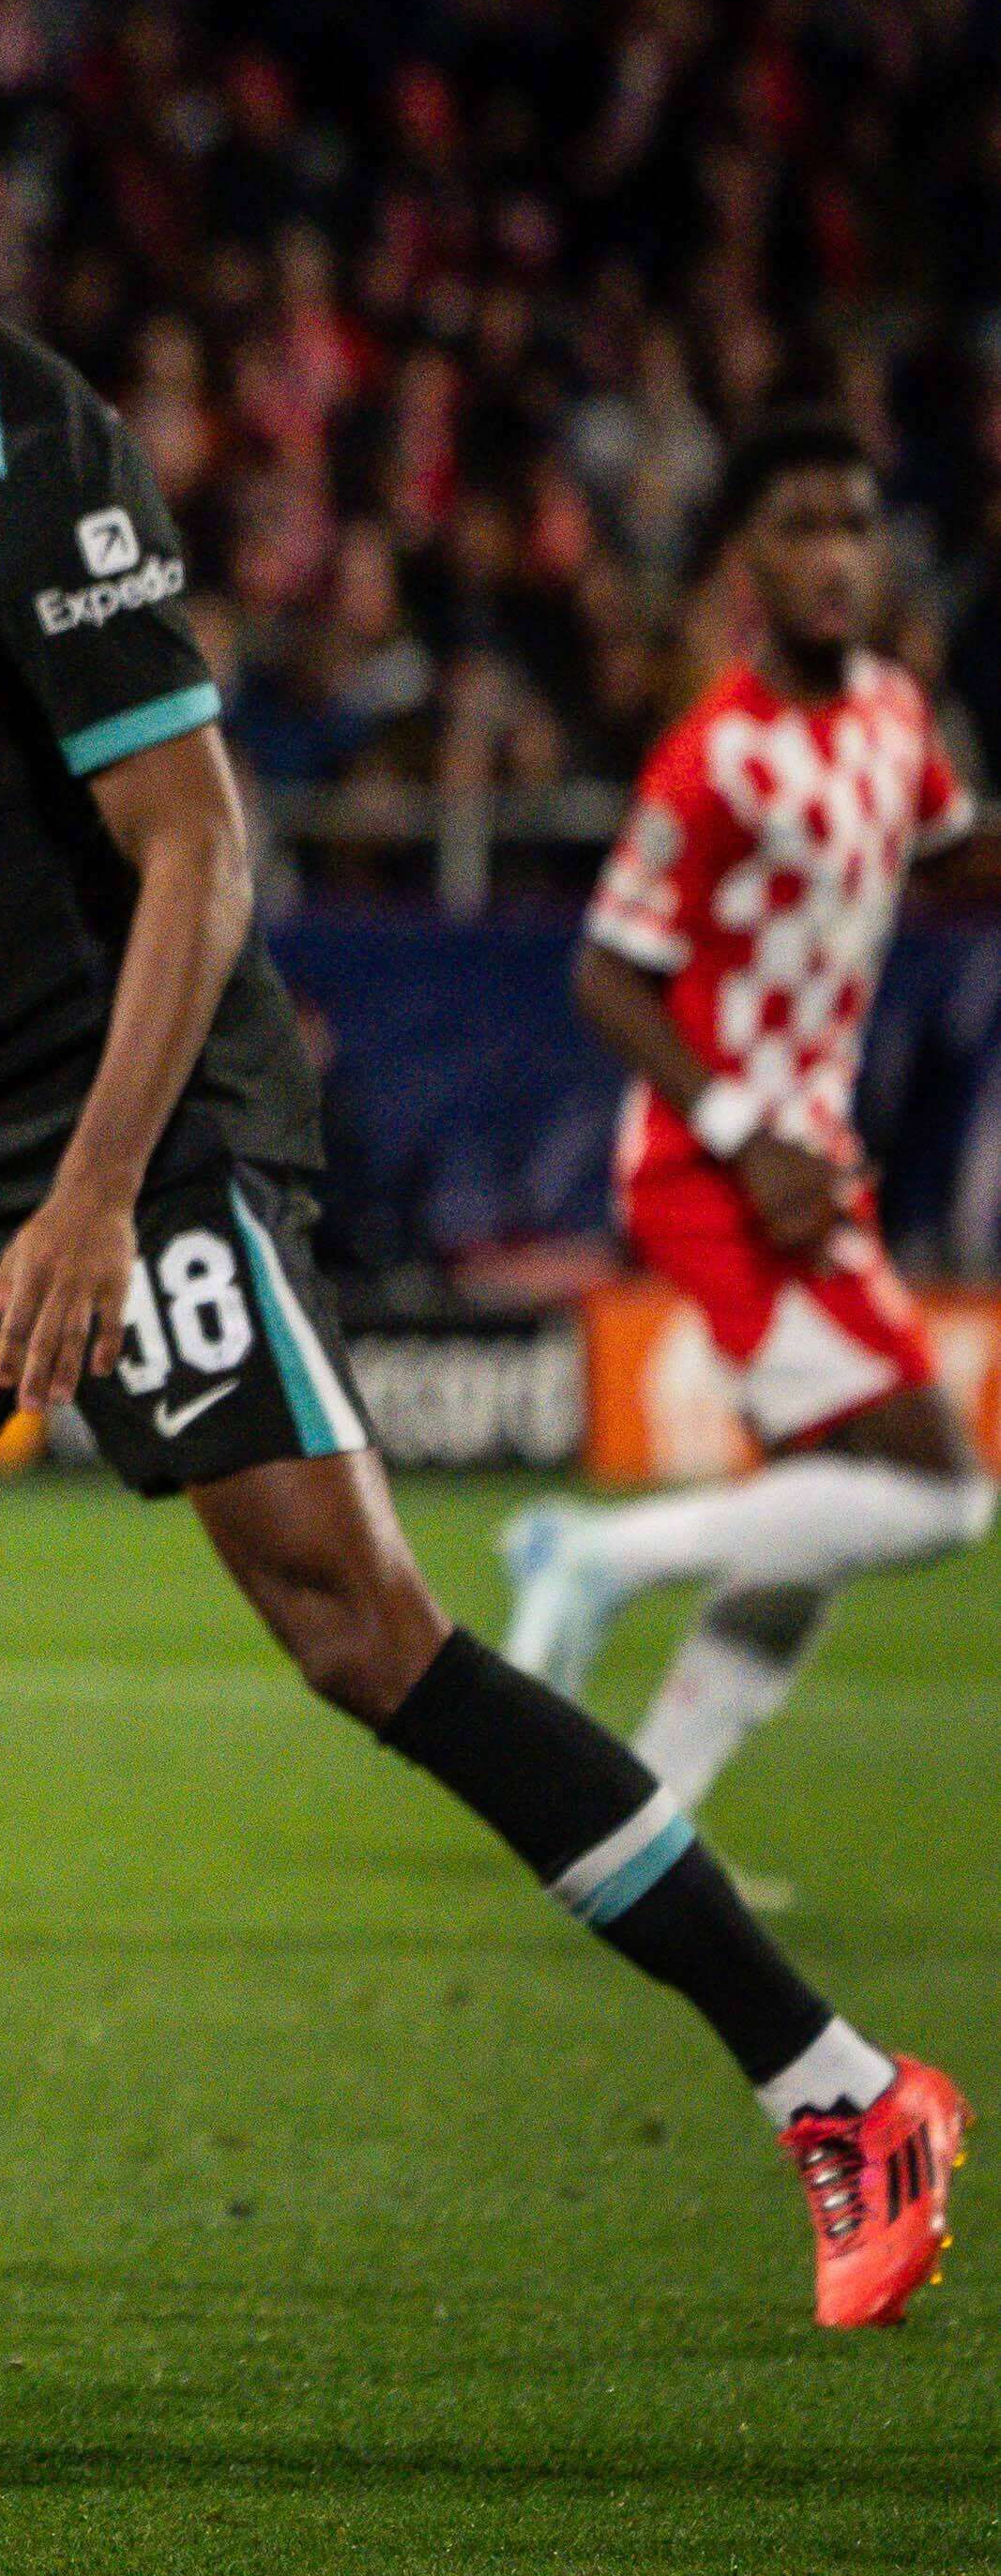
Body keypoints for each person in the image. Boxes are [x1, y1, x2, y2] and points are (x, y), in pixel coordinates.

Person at [0, 0, 957, 2327]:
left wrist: (99, 1194)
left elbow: (196, 855)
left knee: (354, 1628)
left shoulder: (30, 452)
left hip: (141, 1121)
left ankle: (834, 2085)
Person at [496, 420, 991, 1804]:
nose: (834, 554)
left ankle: (649, 1817)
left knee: (824, 1516)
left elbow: (955, 859)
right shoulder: (708, 759)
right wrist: (739, 1132)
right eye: (799, 526)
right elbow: (603, 970)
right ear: (743, 567)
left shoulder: (895, 714)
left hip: (804, 1166)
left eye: (852, 522)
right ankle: (590, 1554)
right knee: (942, 1492)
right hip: (710, 1168)